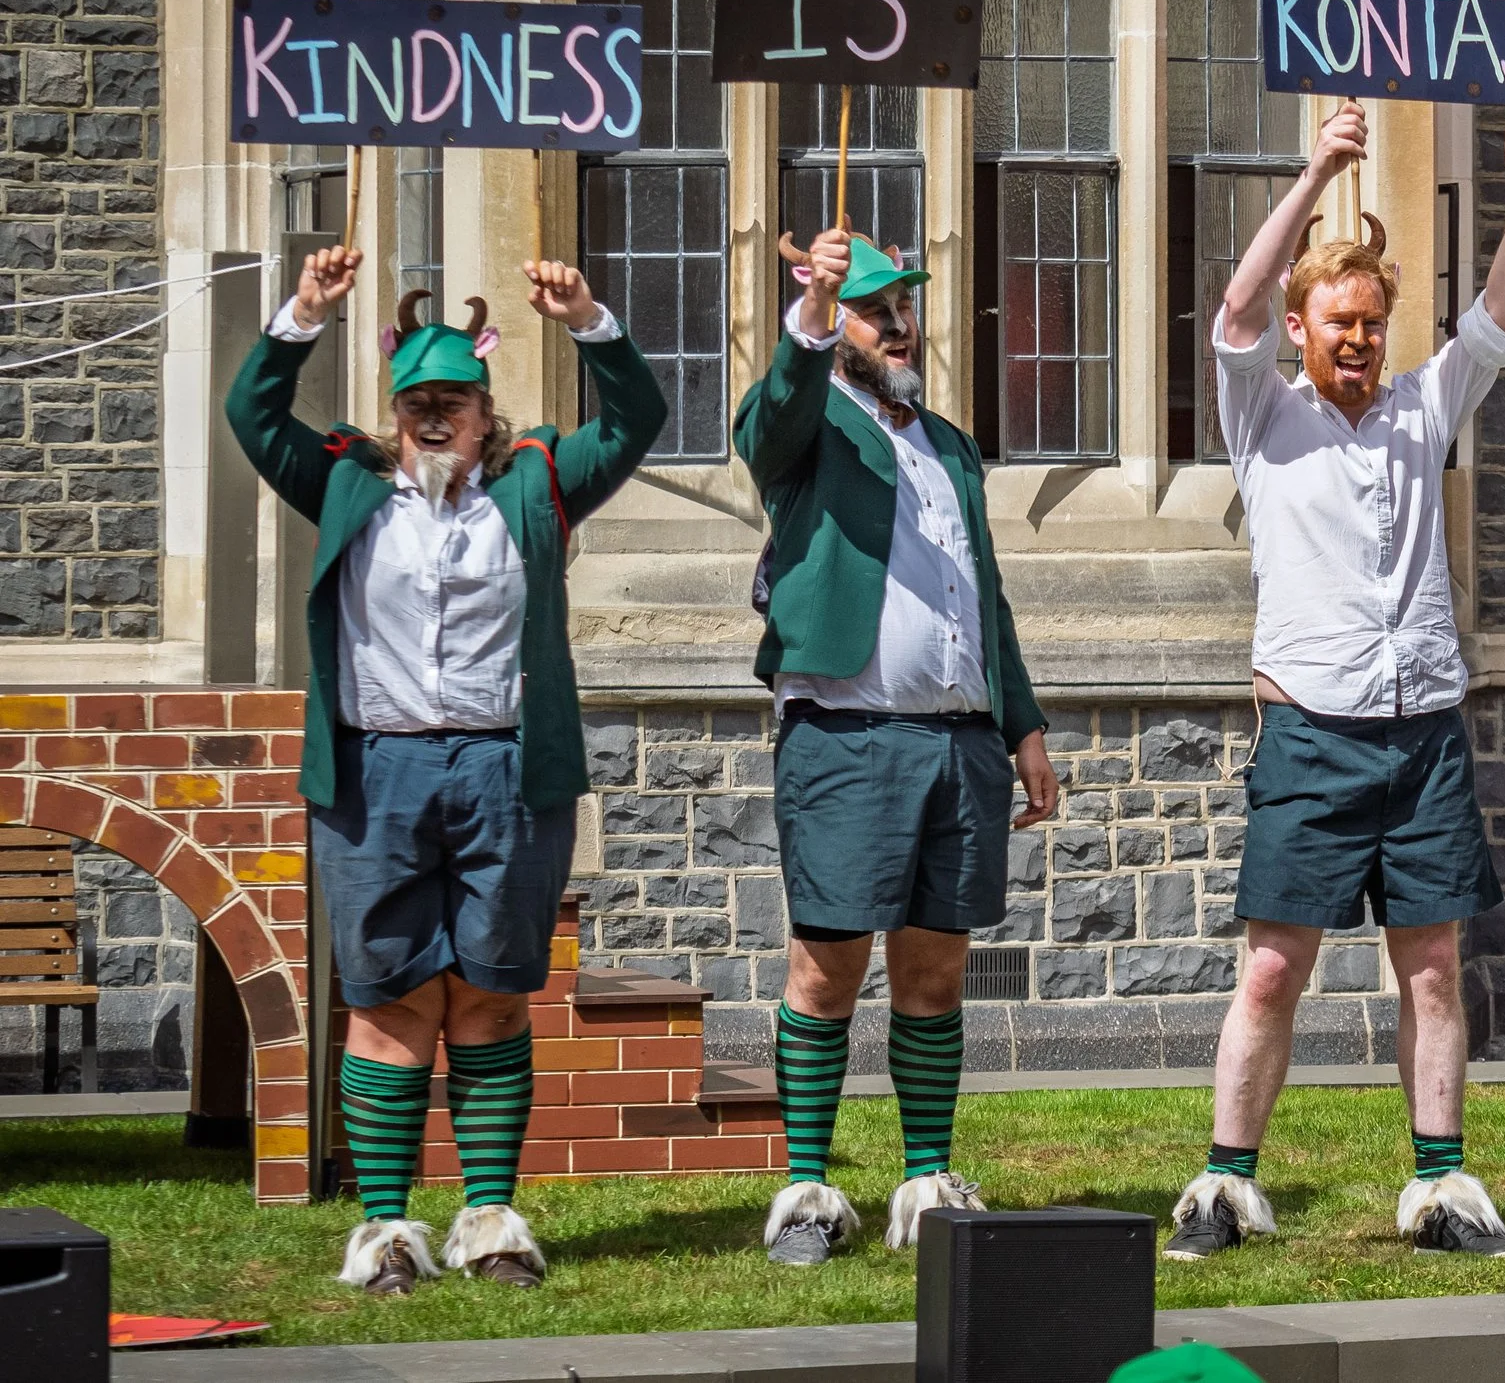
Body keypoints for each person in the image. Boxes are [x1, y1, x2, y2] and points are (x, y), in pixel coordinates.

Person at [225, 247, 666, 1294]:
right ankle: (384, 1229)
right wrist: (303, 313)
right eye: (416, 399)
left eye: (452, 398)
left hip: (507, 768)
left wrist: (589, 317)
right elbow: (252, 415)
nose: (433, 415)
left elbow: (635, 419)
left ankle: (489, 1214)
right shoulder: (343, 482)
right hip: (375, 770)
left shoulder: (539, 482)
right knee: (387, 997)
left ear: (483, 407)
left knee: (494, 996)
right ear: (394, 409)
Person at [1163, 101, 1505, 1263]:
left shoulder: (1419, 410)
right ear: (1301, 327)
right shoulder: (1264, 413)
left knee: (1431, 967)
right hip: (1310, 733)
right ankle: (1226, 1185)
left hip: (1423, 728)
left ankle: (1440, 1183)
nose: (1359, 340)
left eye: (1373, 323)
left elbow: (1504, 312)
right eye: (1339, 320)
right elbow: (1233, 308)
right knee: (1275, 967)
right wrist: (1317, 166)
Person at [736, 225, 1060, 1264]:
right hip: (845, 734)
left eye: (903, 306)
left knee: (936, 967)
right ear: (842, 328)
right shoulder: (810, 421)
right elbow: (765, 421)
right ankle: (806, 1189)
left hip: (958, 740)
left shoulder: (951, 442)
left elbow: (986, 595)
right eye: (878, 310)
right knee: (825, 966)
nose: (900, 322)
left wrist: (1024, 725)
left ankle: (925, 1176)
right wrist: (812, 312)